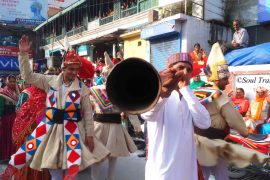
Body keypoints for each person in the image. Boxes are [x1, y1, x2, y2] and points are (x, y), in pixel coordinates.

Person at [0, 35, 110, 179]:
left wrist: (89, 135)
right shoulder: (49, 81)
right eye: (71, 69)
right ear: (63, 68)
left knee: (72, 168)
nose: (74, 73)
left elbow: (87, 113)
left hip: (73, 129)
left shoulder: (82, 88)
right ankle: (9, 172)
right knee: (52, 169)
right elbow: (28, 76)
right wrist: (23, 54)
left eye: (76, 69)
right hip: (50, 129)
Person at [195, 43, 269, 180]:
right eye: (225, 78)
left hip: (197, 141)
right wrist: (245, 132)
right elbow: (235, 120)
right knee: (221, 175)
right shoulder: (219, 95)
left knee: (202, 174)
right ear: (216, 77)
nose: (228, 81)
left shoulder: (199, 91)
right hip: (214, 142)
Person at [141, 52, 211, 180]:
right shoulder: (156, 93)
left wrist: (186, 90)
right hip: (162, 172)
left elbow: (205, 123)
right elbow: (147, 115)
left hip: (187, 171)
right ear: (170, 70)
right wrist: (165, 93)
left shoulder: (190, 97)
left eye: (188, 70)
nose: (184, 72)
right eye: (180, 68)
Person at [90, 51, 137, 180]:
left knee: (113, 156)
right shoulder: (95, 89)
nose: (107, 74)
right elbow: (87, 107)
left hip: (114, 126)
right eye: (106, 73)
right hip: (99, 126)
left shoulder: (121, 91)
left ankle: (109, 178)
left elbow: (129, 109)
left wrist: (137, 126)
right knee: (97, 156)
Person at [0, 75, 19, 161]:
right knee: (6, 136)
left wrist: (17, 88)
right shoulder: (3, 92)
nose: (12, 83)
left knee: (14, 137)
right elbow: (1, 107)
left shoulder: (17, 91)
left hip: (15, 118)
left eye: (14, 81)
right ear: (7, 82)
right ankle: (5, 156)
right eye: (10, 81)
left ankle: (13, 155)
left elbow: (19, 101)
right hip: (6, 119)